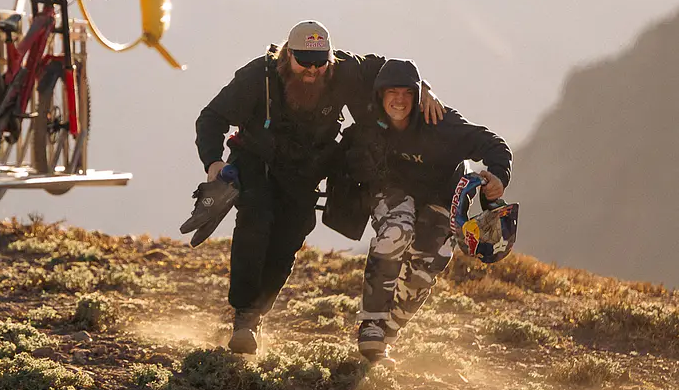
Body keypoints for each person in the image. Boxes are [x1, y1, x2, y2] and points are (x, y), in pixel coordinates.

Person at [193, 21, 444, 355]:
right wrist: (214, 163)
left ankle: (258, 314)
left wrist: (424, 89)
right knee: (256, 221)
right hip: (256, 162)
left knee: (289, 239)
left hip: (304, 172)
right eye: (303, 61)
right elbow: (211, 117)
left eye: (319, 61)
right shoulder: (258, 76)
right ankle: (245, 318)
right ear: (286, 55)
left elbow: (385, 69)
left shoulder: (343, 71)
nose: (311, 69)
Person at [349, 58, 512, 362]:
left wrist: (499, 176)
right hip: (393, 190)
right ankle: (371, 323)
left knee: (429, 265)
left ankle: (387, 334)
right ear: (380, 94)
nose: (398, 100)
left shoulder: (441, 123)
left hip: (441, 195)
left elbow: (493, 144)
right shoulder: (370, 119)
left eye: (407, 93)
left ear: (417, 95)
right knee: (397, 231)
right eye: (391, 92)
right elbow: (344, 65)